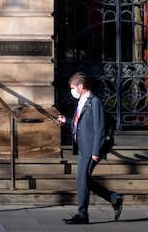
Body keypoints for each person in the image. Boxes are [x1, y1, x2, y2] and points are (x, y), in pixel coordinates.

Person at [55, 71, 124, 224]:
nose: (71, 91)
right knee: (83, 179)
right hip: (83, 147)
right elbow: (81, 123)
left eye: (73, 87)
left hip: (90, 149)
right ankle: (113, 198)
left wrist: (96, 152)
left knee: (82, 179)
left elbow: (100, 127)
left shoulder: (95, 102)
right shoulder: (82, 101)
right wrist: (66, 121)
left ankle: (82, 215)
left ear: (81, 86)